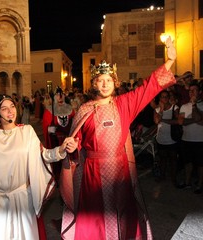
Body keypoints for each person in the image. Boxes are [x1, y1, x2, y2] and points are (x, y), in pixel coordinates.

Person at [60, 36, 176, 240]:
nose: (105, 85)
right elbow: (76, 143)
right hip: (93, 174)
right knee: (95, 217)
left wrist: (171, 59)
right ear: (94, 83)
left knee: (122, 213)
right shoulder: (84, 110)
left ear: (115, 83)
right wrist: (71, 146)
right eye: (100, 81)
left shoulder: (124, 104)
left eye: (108, 81)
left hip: (119, 171)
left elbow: (148, 87)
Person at [0, 94, 78, 240]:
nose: (10, 111)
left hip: (23, 199)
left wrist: (61, 149)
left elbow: (43, 155)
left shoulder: (26, 131)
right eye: (4, 109)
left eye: (12, 106)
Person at [42, 87, 75, 183]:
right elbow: (46, 127)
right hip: (55, 142)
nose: (60, 97)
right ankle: (58, 179)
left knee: (68, 164)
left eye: (62, 95)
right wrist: (49, 130)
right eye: (57, 95)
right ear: (54, 97)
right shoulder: (49, 111)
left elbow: (74, 125)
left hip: (68, 141)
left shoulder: (70, 109)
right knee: (57, 163)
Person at [178, 82, 203, 194]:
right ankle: (187, 182)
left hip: (200, 140)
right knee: (188, 163)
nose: (191, 92)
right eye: (190, 90)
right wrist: (197, 120)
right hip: (186, 139)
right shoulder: (184, 106)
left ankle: (199, 185)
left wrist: (194, 105)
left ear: (200, 92)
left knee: (200, 164)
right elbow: (181, 122)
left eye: (194, 90)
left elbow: (199, 119)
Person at [154, 90, 180, 185]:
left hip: (172, 139)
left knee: (173, 159)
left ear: (169, 98)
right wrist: (161, 110)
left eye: (166, 97)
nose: (164, 99)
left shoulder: (175, 108)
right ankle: (162, 175)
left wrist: (163, 119)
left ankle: (173, 178)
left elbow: (178, 121)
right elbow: (156, 121)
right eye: (162, 97)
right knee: (162, 159)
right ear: (160, 98)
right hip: (161, 138)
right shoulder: (157, 109)